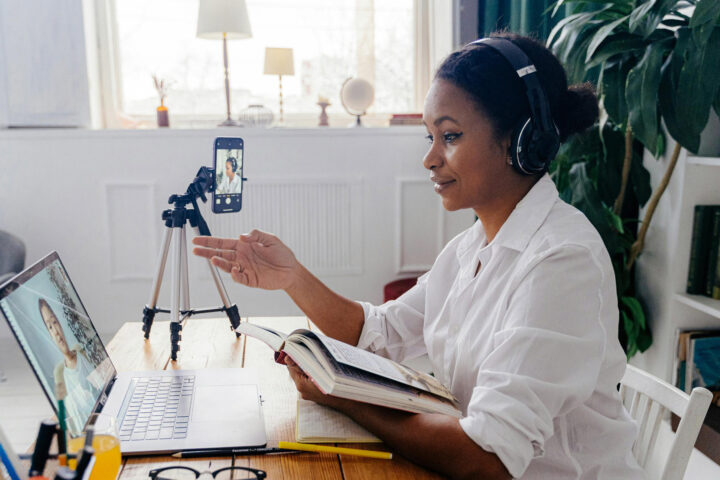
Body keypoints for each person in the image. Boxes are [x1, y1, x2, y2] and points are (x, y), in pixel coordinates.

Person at [192, 32, 643, 479]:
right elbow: (377, 333)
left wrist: (344, 397)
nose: (429, 158)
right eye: (429, 136)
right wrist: (292, 277)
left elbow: (487, 459)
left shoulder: (562, 261)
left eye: (449, 135)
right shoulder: (471, 248)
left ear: (520, 140)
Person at [38, 298, 99, 434]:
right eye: (50, 327)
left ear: (60, 323)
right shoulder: (60, 374)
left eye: (55, 322)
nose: (56, 331)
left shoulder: (80, 351)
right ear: (49, 334)